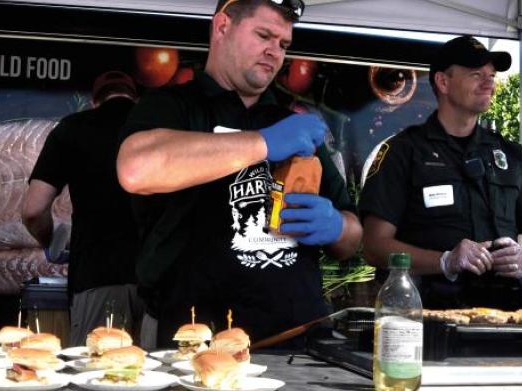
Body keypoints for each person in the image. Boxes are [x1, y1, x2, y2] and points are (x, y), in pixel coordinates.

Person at [117, 0, 362, 345]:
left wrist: (336, 226)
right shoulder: (172, 106)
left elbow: (352, 236)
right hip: (196, 340)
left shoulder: (291, 123)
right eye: (264, 35)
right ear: (222, 27)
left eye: (283, 45)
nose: (274, 52)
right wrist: (261, 143)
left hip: (299, 338)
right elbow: (136, 169)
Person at [359, 36, 522, 310]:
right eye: (477, 74)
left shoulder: (511, 156)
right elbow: (374, 246)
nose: (489, 82)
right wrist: (445, 260)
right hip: (429, 322)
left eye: (491, 75)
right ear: (443, 82)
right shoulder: (403, 152)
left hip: (506, 320)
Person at [22, 71, 154, 348]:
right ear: (136, 98)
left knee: (96, 374)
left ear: (94, 101)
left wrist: (51, 243)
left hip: (98, 275)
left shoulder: (73, 128)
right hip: (158, 283)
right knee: (154, 378)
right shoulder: (158, 128)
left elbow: (33, 209)